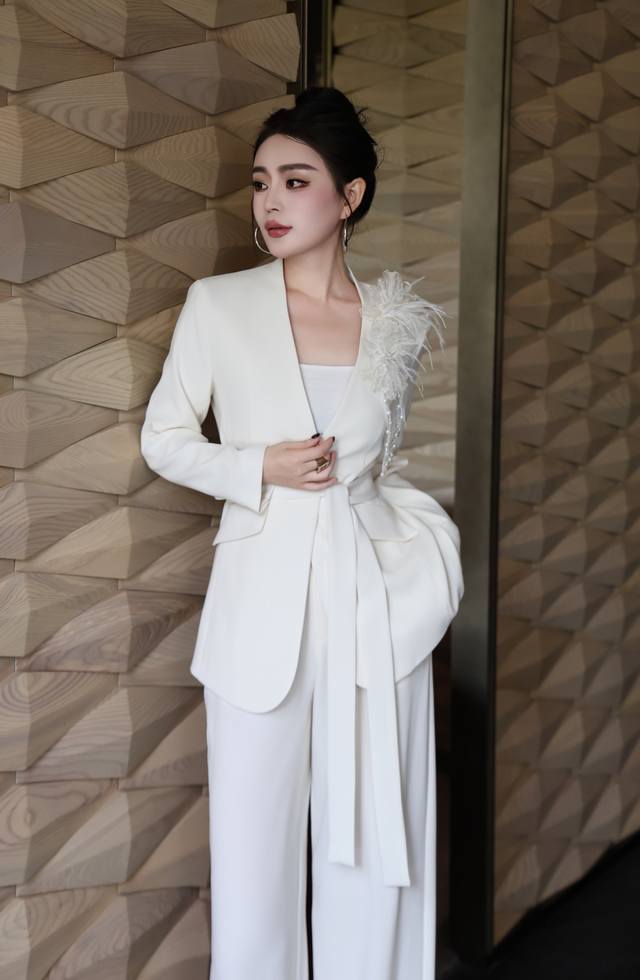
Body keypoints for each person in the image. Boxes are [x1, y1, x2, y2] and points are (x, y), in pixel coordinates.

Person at [140, 86, 464, 980]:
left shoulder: (393, 320)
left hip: (372, 614)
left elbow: (379, 463)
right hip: (258, 619)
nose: (271, 202)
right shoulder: (219, 305)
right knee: (254, 873)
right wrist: (258, 467)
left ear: (349, 196)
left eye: (295, 180)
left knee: (377, 856)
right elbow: (163, 439)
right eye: (260, 183)